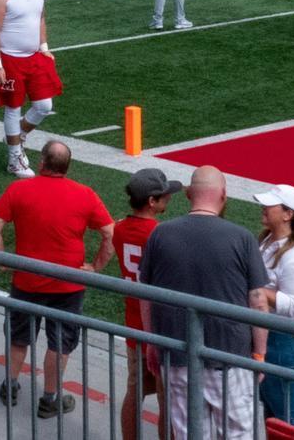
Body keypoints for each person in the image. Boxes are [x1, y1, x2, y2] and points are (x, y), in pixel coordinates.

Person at [139, 165, 273, 439]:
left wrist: (151, 342)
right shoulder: (242, 237)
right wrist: (259, 354)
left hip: (176, 351)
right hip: (230, 355)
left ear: (188, 194)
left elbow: (146, 295)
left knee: (189, 432)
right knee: (238, 433)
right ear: (223, 195)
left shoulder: (160, 234)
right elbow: (258, 301)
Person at [0, 141, 116, 420]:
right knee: (60, 343)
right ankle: (50, 399)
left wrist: (3, 260)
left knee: (19, 337)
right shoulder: (85, 194)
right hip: (68, 284)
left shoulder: (19, 189)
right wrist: (94, 266)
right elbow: (110, 233)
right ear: (67, 166)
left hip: (26, 280)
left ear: (42, 162)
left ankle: (10, 386)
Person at [112, 169, 184, 440]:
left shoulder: (119, 228)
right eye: (165, 195)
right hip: (162, 329)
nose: (169, 198)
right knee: (170, 400)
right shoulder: (162, 234)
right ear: (151, 201)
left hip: (134, 324)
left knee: (135, 392)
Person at [0, 0, 58, 179]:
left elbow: (41, 18)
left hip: (35, 56)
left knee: (44, 105)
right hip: (10, 59)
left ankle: (18, 134)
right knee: (13, 107)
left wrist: (44, 46)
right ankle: (14, 159)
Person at [254, 185, 294, 425]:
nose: (263, 207)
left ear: (288, 214)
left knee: (285, 417)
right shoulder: (269, 241)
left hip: (285, 341)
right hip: (275, 337)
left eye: (271, 204)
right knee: (274, 413)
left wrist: (258, 292)